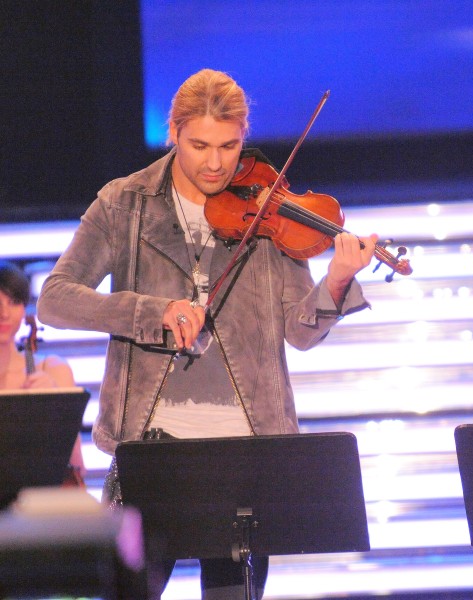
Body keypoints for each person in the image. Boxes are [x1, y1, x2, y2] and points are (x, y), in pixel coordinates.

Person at [37, 68, 378, 599]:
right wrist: (150, 311)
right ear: (173, 132)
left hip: (246, 452)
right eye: (199, 145)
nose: (216, 162)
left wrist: (335, 282)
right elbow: (54, 299)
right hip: (149, 450)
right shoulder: (124, 203)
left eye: (229, 144)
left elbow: (300, 333)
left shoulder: (268, 204)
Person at [0, 260, 87, 485]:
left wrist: (56, 405)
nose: (4, 313)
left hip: (38, 508)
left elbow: (77, 467)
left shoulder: (52, 369)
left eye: (14, 302)